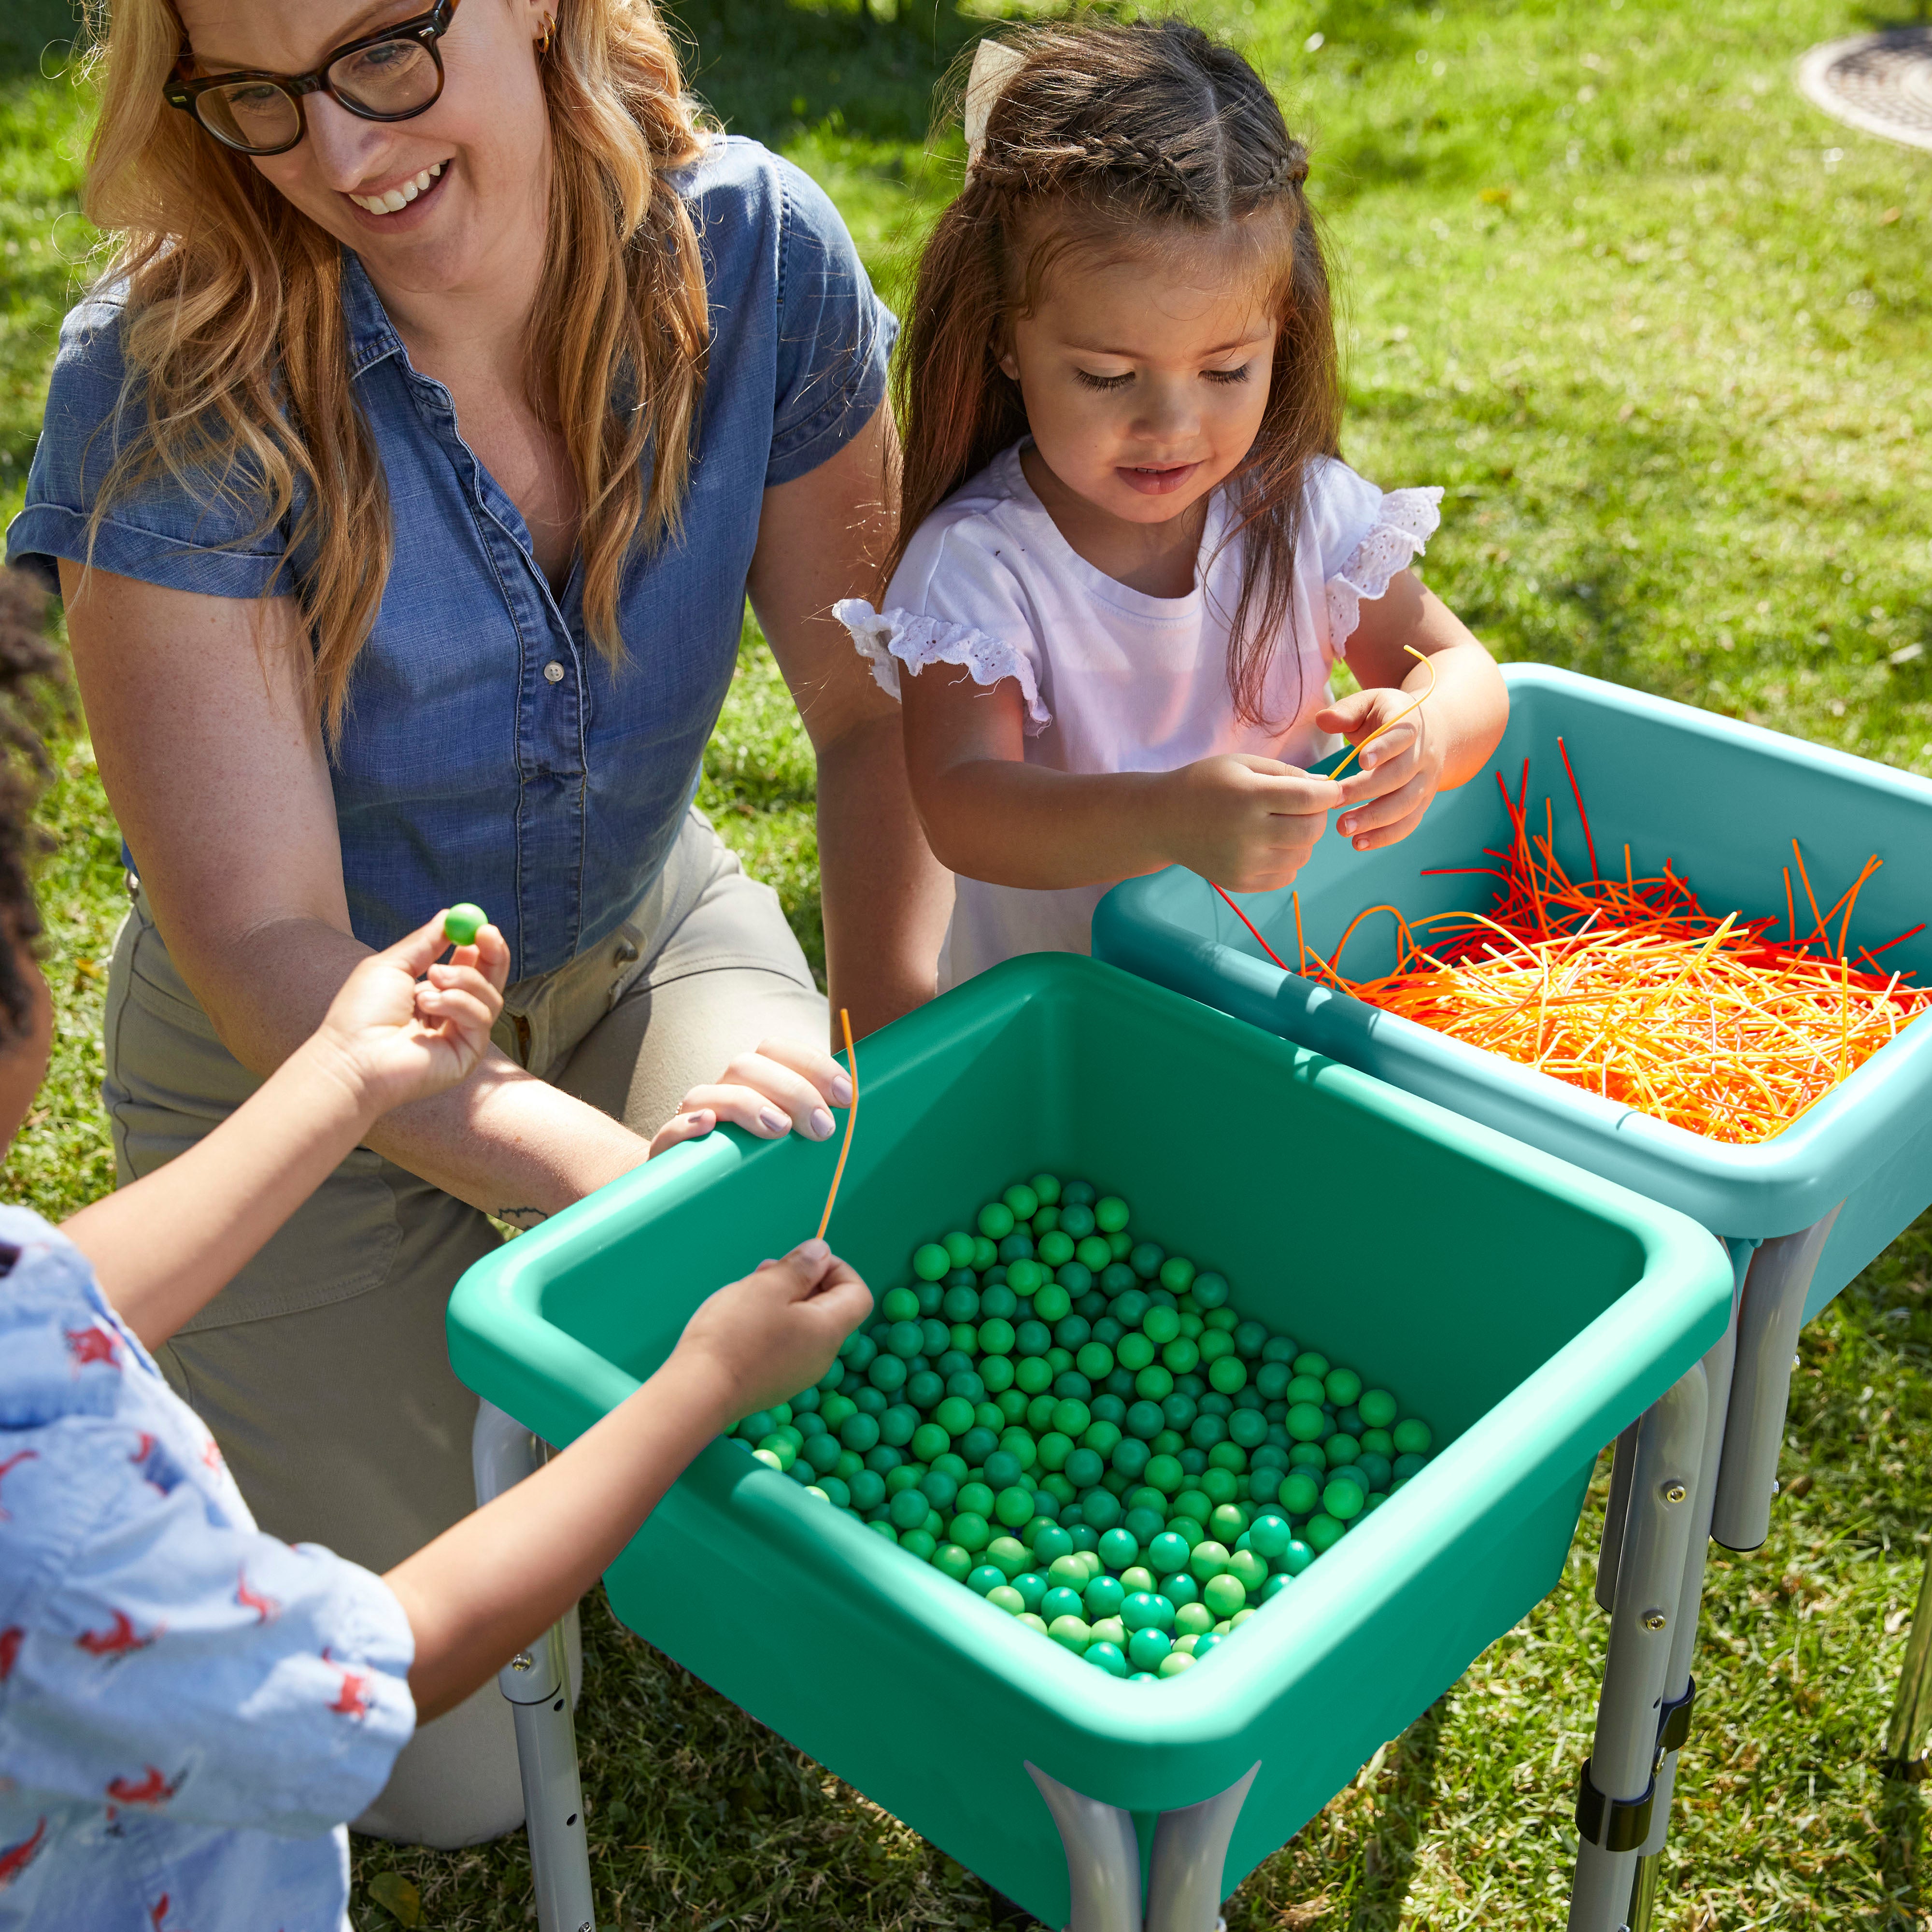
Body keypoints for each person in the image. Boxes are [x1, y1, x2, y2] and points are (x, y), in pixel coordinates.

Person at [4, 0, 948, 1843]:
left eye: (385, 53)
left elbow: (871, 714)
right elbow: (275, 946)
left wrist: (894, 1051)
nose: (344, 155)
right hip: (300, 1074)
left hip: (635, 946)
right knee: (444, 1789)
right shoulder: (165, 373)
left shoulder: (759, 254)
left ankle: (577, 1402)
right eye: (258, 99)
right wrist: (624, 1187)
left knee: (827, 1333)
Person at [0, 572, 874, 1929]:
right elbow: (386, 1663)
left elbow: (57, 1288)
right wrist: (692, 1387)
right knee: (454, 1781)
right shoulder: (61, 1538)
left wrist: (343, 1075)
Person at [837, 21, 1507, 990]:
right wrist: (1164, 816)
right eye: (1107, 376)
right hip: (1073, 1029)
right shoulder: (981, 565)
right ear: (1005, 341)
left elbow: (1460, 666)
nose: (1171, 424)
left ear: (1282, 333)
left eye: (1226, 368)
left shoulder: (1302, 512)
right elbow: (963, 806)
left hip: (1280, 992)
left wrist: (1426, 731)